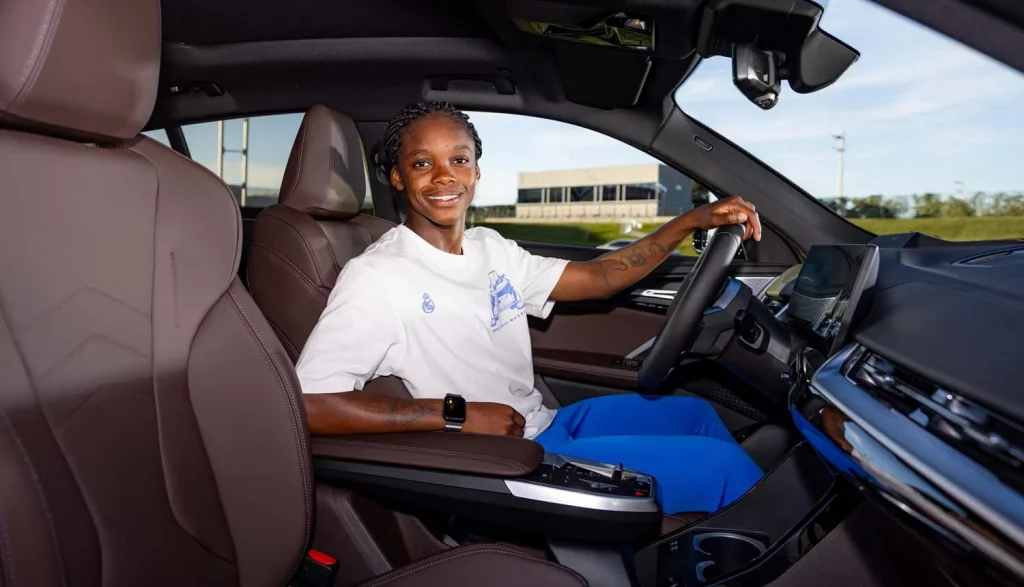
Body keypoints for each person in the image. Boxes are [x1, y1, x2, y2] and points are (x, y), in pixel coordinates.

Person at [296, 101, 765, 514]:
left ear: (477, 171)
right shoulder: (377, 275)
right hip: (512, 453)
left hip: (547, 421)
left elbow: (600, 278)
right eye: (422, 163)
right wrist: (454, 413)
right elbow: (311, 405)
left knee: (697, 416)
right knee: (722, 467)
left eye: (459, 159)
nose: (444, 176)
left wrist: (690, 221)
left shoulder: (491, 247)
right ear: (398, 177)